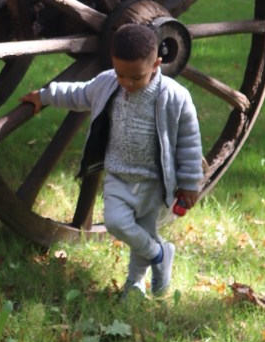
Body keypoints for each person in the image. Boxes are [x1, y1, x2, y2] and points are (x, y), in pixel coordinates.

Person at [21, 23, 203, 297]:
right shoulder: (107, 84)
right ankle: (159, 254)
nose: (127, 83)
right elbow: (77, 93)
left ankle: (135, 284)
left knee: (144, 231)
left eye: (136, 77)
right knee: (117, 222)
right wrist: (45, 95)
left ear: (156, 64)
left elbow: (189, 143)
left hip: (154, 181)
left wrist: (190, 183)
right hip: (118, 175)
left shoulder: (175, 97)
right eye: (121, 75)